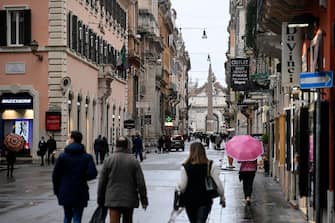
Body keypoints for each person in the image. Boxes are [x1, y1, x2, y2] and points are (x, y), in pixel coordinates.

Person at [97, 136, 148, 223]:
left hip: (113, 199)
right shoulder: (133, 161)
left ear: (116, 145)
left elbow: (102, 182)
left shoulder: (108, 160)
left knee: (114, 220)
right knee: (128, 220)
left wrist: (100, 198)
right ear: (127, 146)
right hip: (129, 199)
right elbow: (140, 183)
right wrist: (144, 199)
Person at [52, 130, 97, 223]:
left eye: (68, 138)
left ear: (72, 140)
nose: (67, 140)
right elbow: (93, 173)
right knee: (77, 217)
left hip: (65, 190)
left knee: (67, 217)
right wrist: (82, 177)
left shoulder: (62, 156)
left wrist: (57, 190)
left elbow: (55, 175)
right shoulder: (86, 157)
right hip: (80, 190)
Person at [176, 142, 226, 223]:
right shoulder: (210, 165)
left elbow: (182, 186)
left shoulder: (185, 167)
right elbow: (218, 183)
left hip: (190, 201)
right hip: (205, 200)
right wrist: (222, 197)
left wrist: (178, 188)